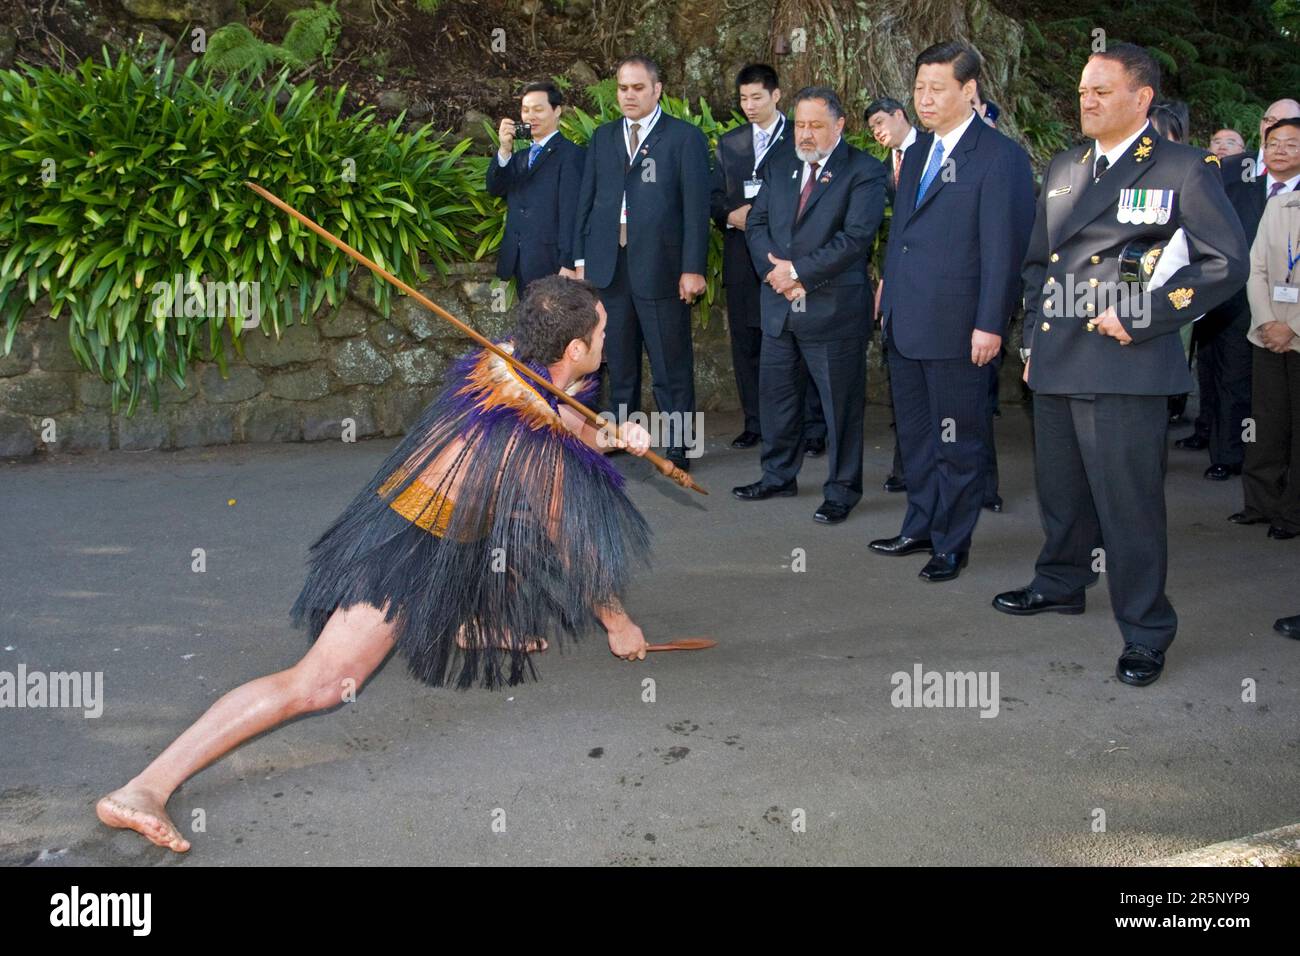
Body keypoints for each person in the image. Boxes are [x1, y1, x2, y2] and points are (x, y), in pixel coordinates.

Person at [95, 277, 656, 852]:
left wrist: (616, 436)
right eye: (603, 333)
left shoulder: (513, 360)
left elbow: (561, 419)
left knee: (507, 522)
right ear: (574, 351)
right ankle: (146, 787)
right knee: (319, 685)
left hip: (447, 525)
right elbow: (569, 535)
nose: (609, 340)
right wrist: (617, 622)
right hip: (407, 545)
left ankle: (462, 621)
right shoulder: (529, 431)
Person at [992, 42, 1249, 687]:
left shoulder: (1182, 168)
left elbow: (1226, 263)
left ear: (1141, 99)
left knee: (1128, 504)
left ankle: (1146, 628)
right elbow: (1036, 265)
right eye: (1083, 89)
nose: (1087, 99)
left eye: (1102, 91)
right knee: (1061, 492)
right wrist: (1031, 344)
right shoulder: (1064, 165)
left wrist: (1144, 316)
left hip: (1124, 363)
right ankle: (1060, 582)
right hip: (1056, 358)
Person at [871, 42, 1034, 581]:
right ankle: (919, 525)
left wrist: (991, 323)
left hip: (962, 328)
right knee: (916, 438)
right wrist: (888, 289)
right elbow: (904, 235)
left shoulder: (999, 157)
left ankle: (952, 542)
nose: (924, 98)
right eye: (918, 88)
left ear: (969, 90)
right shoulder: (916, 151)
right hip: (906, 321)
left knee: (957, 442)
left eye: (936, 88)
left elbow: (1003, 251)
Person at [732, 86, 887, 524]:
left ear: (839, 126)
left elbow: (855, 240)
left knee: (839, 408)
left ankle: (842, 489)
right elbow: (756, 221)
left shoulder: (865, 171)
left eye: (816, 126)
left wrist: (797, 271)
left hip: (832, 310)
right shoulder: (780, 165)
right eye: (800, 124)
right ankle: (778, 474)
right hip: (780, 306)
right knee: (777, 399)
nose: (806, 134)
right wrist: (773, 271)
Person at [572, 55, 711, 471]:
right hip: (608, 267)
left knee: (671, 361)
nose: (628, 95)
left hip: (663, 269)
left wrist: (693, 267)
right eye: (622, 87)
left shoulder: (684, 138)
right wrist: (579, 260)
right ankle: (621, 437)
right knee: (620, 359)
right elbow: (588, 200)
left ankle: (679, 446)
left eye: (636, 87)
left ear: (657, 89)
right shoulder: (603, 137)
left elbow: (695, 209)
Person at [709, 63, 824, 453]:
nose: (749, 105)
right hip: (743, 259)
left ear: (776, 96)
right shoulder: (729, 143)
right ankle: (756, 423)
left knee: (800, 338)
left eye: (757, 97)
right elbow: (713, 196)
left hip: (791, 260)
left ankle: (811, 428)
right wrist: (729, 214)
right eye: (743, 98)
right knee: (747, 343)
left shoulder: (801, 135)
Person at [1232, 122, 1300, 540]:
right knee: (1266, 424)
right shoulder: (1276, 204)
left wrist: (1292, 327)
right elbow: (1254, 268)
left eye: (1291, 144)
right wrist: (1267, 322)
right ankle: (1260, 503)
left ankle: (1292, 515)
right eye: (1272, 144)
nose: (1280, 150)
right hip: (1268, 332)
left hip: (1294, 332)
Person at [486, 82, 586, 293]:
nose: (531, 116)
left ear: (557, 110)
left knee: (556, 324)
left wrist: (569, 263)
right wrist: (504, 151)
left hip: (553, 263)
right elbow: (495, 189)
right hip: (518, 259)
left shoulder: (572, 155)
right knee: (529, 323)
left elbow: (572, 213)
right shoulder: (520, 157)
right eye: (525, 110)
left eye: (539, 109)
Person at [865, 95, 917, 494]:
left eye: (882, 122)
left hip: (933, 288)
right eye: (872, 129)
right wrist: (883, 280)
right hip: (895, 282)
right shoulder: (884, 170)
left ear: (901, 115)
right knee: (902, 382)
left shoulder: (933, 154)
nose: (879, 132)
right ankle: (906, 466)